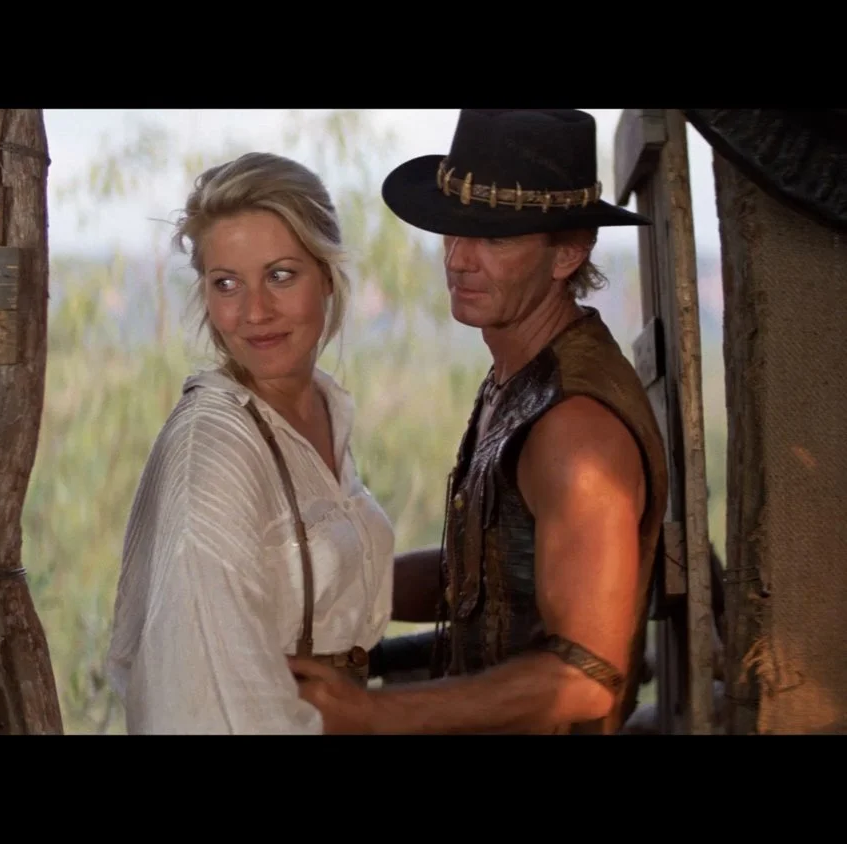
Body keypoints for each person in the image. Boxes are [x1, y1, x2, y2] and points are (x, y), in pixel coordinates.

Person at [290, 108, 670, 734]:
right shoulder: (519, 377)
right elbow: (490, 579)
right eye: (454, 232)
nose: (460, 259)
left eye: (494, 239)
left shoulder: (576, 430)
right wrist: (330, 594)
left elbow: (585, 677)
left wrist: (369, 710)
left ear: (568, 253)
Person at [105, 151, 396, 734]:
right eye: (227, 284)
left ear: (328, 276)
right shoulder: (212, 448)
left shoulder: (322, 407)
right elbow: (206, 699)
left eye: (281, 275)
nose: (254, 312)